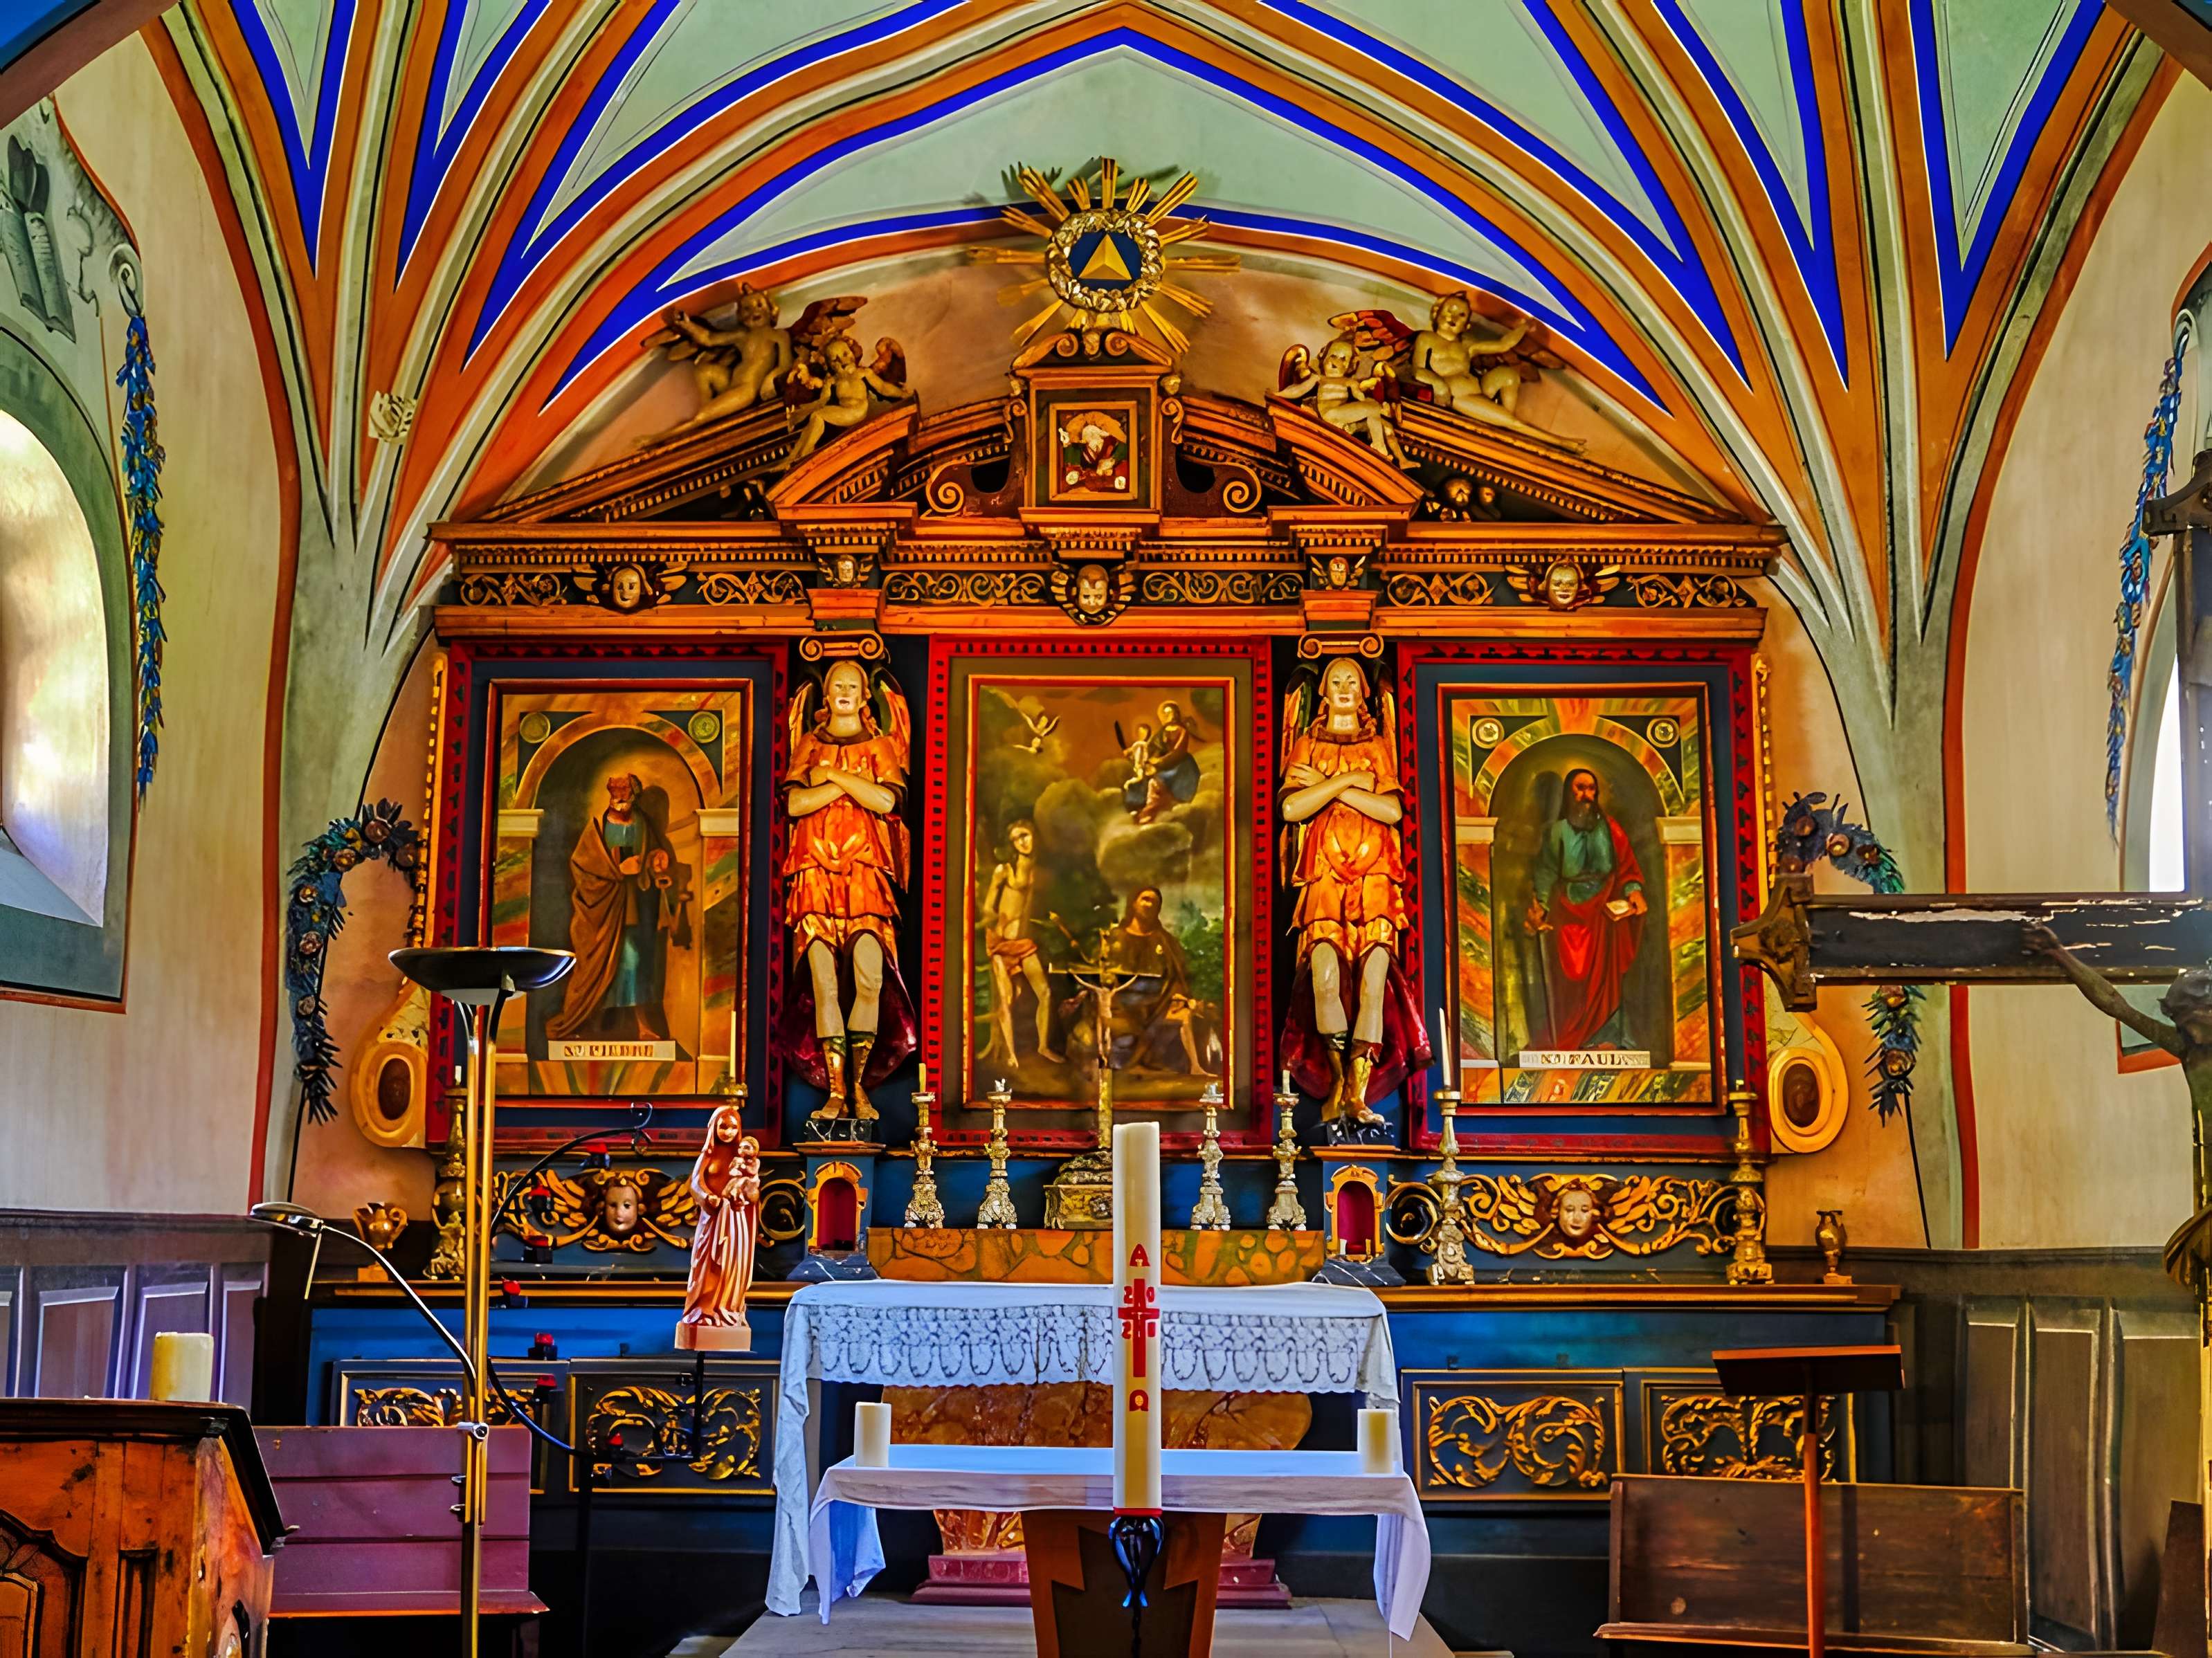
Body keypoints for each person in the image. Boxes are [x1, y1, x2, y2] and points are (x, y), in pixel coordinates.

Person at [1279, 657, 1429, 1124]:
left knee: (1372, 985)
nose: (1344, 688)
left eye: (1352, 681)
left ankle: (1358, 1094)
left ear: (1365, 693)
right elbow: (1293, 809)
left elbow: (1390, 813)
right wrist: (1345, 781)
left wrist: (1325, 789)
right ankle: (1339, 1082)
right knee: (1325, 979)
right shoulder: (1307, 743)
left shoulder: (1379, 745)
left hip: (1375, 877)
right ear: (1323, 693)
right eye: (1335, 681)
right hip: (1324, 876)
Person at [2027, 924, 2212, 1293]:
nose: (2191, 1033)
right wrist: (2060, 954)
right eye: (2183, 1025)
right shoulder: (2187, 1049)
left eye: (2195, 1022)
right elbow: (2114, 1003)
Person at [782, 662, 916, 1119]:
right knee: (823, 983)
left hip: (865, 872)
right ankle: (837, 1090)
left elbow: (886, 800)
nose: (843, 692)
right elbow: (797, 803)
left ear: (865, 698)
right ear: (826, 696)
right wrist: (852, 785)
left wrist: (834, 777)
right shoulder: (809, 745)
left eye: (852, 687)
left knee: (870, 978)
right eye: (836, 685)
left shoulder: (880, 746)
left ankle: (859, 1086)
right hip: (814, 872)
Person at [546, 772, 689, 1042]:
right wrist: (617, 871)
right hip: (602, 910)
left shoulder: (644, 825)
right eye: (615, 794)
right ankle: (587, 1021)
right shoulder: (598, 827)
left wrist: (654, 860)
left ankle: (642, 1024)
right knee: (597, 965)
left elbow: (652, 859)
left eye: (625, 794)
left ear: (634, 797)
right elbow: (582, 866)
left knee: (636, 965)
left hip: (636, 909)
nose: (620, 799)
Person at [1523, 767, 1647, 1051]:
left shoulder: (1611, 829)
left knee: (1606, 979)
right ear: (1569, 793)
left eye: (1591, 789)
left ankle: (1605, 1037)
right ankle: (1569, 1038)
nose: (1586, 796)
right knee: (1572, 977)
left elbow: (1627, 868)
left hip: (1605, 912)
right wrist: (1540, 907)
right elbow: (1545, 873)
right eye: (1579, 789)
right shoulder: (1557, 832)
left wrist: (1634, 891)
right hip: (1568, 910)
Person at [1408, 291, 1582, 451]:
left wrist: (1525, 327)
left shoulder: (1467, 345)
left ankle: (1504, 425)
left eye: (1461, 315)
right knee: (1514, 422)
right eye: (1449, 311)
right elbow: (1418, 370)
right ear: (1436, 313)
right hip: (1459, 397)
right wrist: (1439, 384)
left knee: (1508, 375)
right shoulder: (1427, 339)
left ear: (1467, 325)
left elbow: (1503, 345)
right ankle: (1561, 442)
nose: (1453, 317)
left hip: (1479, 390)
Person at [676, 1103, 760, 1351]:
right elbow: (695, 1185)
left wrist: (750, 1189)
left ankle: (728, 1310)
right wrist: (706, 1198)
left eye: (734, 1127)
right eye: (723, 1126)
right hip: (712, 1220)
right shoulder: (708, 1157)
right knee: (707, 1265)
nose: (728, 1131)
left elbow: (753, 1194)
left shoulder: (745, 1160)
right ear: (713, 1128)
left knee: (731, 1267)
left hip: (735, 1219)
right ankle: (703, 1311)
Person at [981, 819, 1062, 1066]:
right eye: (1017, 839)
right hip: (1001, 944)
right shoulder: (1004, 870)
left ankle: (1043, 1046)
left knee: (1045, 993)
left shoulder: (1038, 869)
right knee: (1007, 999)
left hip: (1024, 943)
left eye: (1025, 835)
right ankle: (1011, 1054)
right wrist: (999, 918)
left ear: (1034, 835)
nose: (1022, 842)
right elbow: (987, 906)